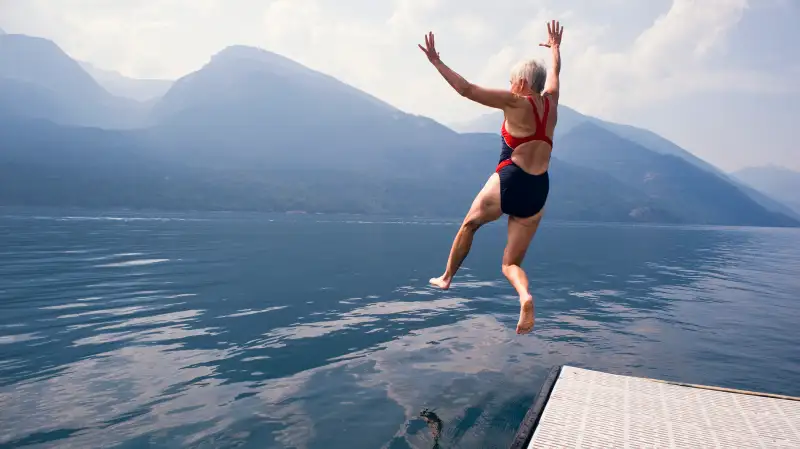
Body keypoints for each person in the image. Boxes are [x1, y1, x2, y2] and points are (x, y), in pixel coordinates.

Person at [418, 20, 563, 335]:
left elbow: (466, 89)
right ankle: (525, 296)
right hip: (539, 190)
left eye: (512, 81)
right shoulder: (551, 101)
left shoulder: (515, 102)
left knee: (470, 224)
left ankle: (446, 278)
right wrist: (555, 49)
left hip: (511, 178)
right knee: (510, 264)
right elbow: (555, 74)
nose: (510, 85)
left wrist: (437, 62)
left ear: (522, 83)